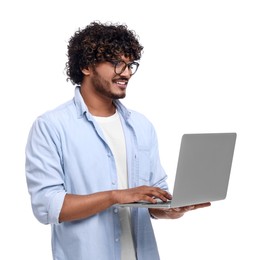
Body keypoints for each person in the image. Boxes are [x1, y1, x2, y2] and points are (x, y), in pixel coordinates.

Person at [25, 21, 210, 260]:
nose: (126, 72)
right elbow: (46, 205)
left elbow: (151, 197)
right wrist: (115, 196)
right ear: (86, 66)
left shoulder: (142, 126)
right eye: (117, 63)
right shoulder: (51, 127)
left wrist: (169, 209)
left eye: (130, 64)